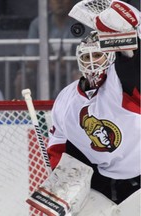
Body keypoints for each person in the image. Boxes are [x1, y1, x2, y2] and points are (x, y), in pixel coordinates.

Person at [47, 1, 140, 205]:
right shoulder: (66, 98)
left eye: (97, 55)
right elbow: (59, 143)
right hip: (100, 179)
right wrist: (58, 184)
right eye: (86, 56)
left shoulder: (120, 83)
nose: (91, 62)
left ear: (110, 56)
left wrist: (128, 46)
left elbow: (132, 68)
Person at [14, 0, 92, 100]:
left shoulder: (83, 23)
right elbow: (31, 60)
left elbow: (89, 57)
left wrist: (70, 63)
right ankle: (26, 114)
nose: (59, 2)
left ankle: (81, 112)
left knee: (82, 78)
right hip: (42, 72)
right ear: (48, 2)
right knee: (22, 79)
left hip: (74, 71)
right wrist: (50, 65)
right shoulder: (38, 24)